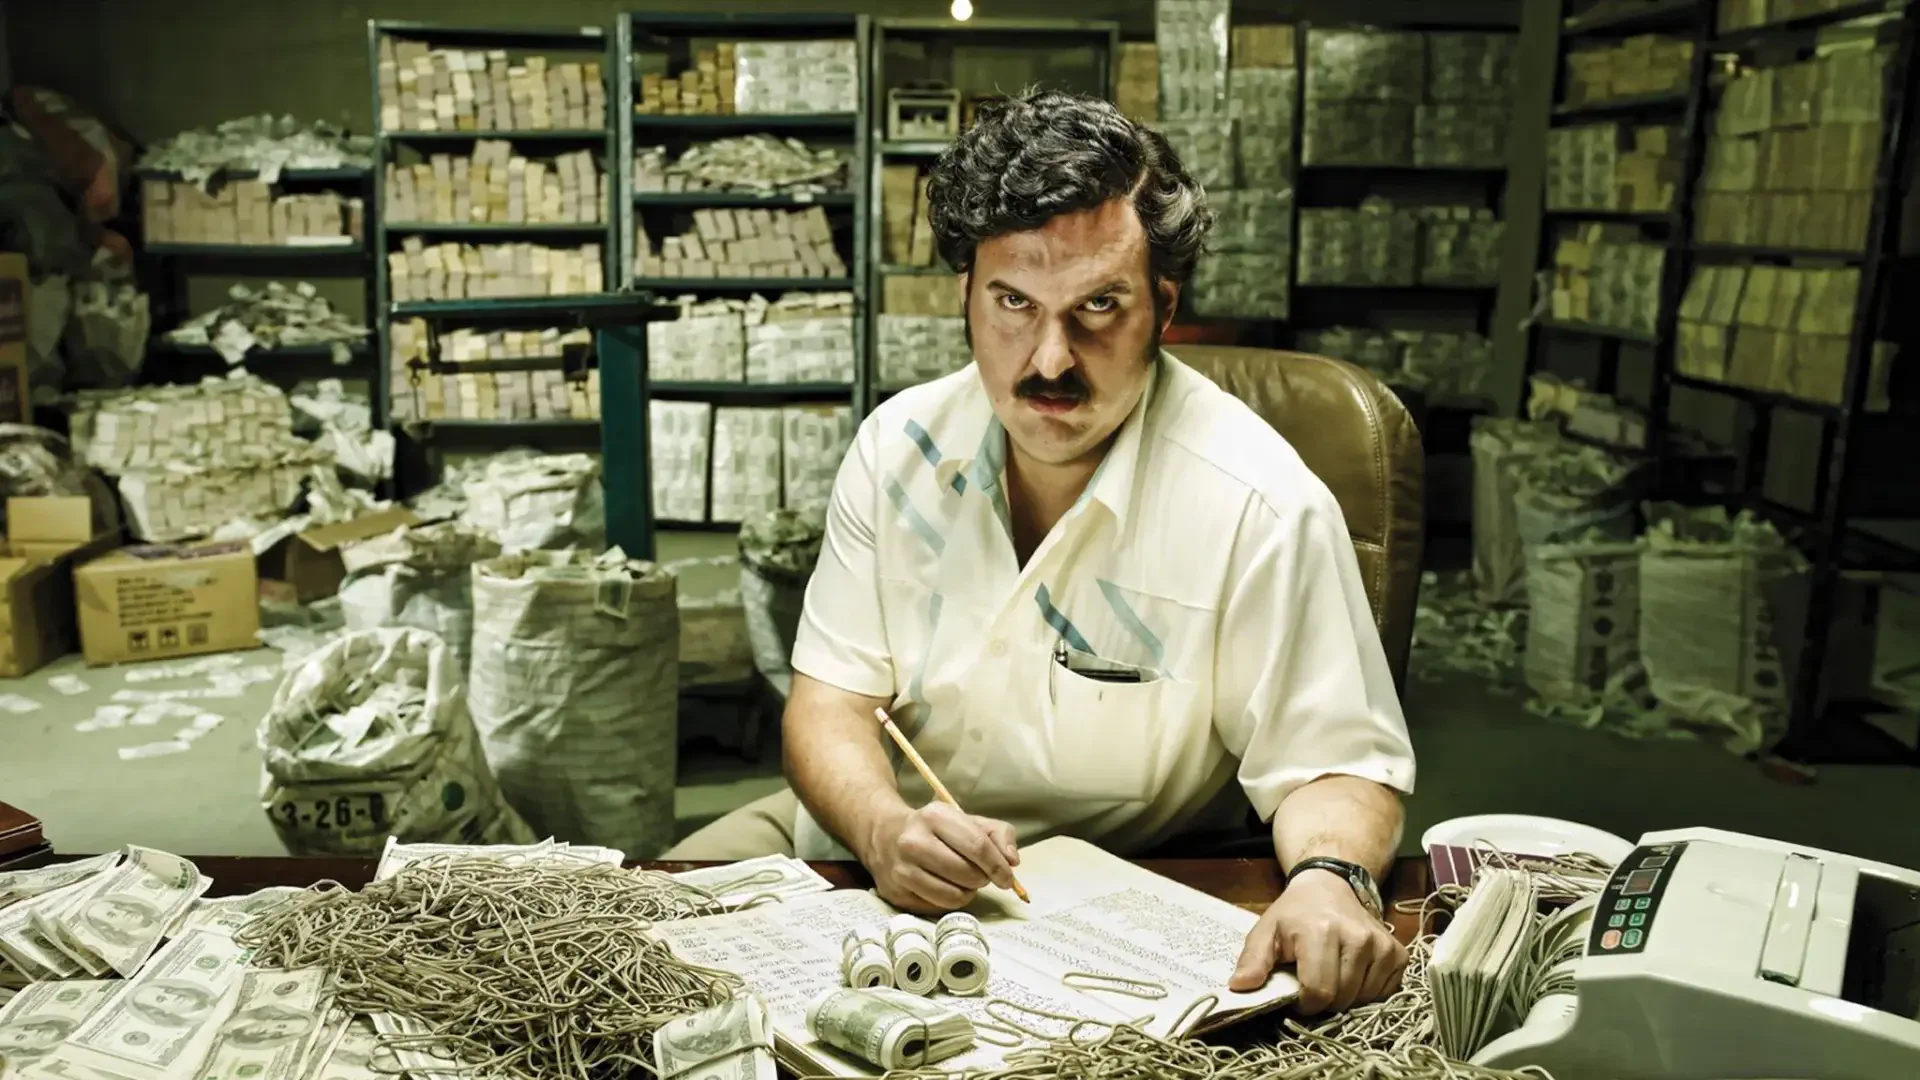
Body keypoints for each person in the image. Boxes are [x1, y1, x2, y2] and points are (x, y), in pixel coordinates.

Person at [664, 90, 1416, 1015]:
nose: (1050, 359)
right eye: (1014, 302)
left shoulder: (1259, 503)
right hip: (863, 845)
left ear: (1163, 308)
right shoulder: (897, 447)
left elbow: (1334, 760)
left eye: (1099, 306)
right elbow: (830, 702)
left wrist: (1331, 879)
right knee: (631, 949)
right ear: (966, 298)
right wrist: (881, 826)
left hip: (1113, 891)